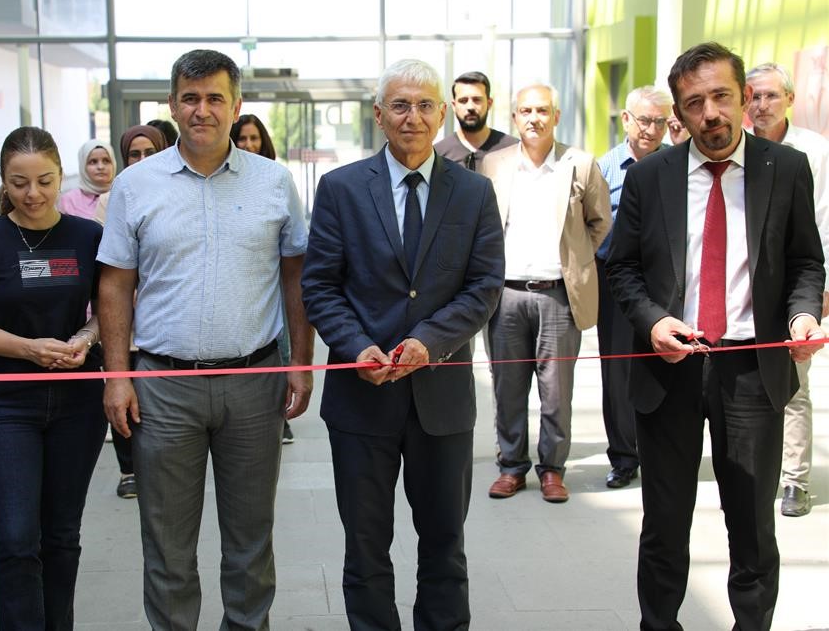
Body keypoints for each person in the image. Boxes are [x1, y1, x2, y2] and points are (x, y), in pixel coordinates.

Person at [607, 42, 825, 630]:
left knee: (752, 523)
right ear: (678, 113)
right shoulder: (652, 176)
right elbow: (620, 266)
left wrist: (804, 315)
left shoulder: (787, 170)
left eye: (722, 96)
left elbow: (807, 262)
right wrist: (653, 321)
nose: (711, 114)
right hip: (669, 366)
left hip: (752, 370)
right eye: (695, 102)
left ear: (746, 98)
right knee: (664, 523)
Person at [98, 49, 313, 630]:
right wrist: (116, 375)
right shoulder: (134, 185)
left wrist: (300, 363)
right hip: (163, 387)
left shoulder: (274, 183)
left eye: (215, 98)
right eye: (190, 98)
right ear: (172, 104)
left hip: (254, 381)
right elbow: (114, 287)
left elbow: (296, 275)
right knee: (167, 546)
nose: (202, 110)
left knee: (250, 542)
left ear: (235, 105)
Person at [301, 59, 505, 629]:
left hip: (441, 400)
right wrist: (354, 346)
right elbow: (319, 285)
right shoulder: (340, 189)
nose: (411, 117)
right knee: (365, 548)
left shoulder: (474, 193)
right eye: (399, 105)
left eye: (423, 106)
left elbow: (483, 286)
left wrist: (428, 343)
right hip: (361, 400)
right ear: (378, 115)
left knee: (445, 543)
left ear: (442, 114)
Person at [0, 127, 107, 629]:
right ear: (3, 181)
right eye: (19, 183)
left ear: (61, 176)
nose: (33, 193)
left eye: (44, 180)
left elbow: (109, 309)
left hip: (77, 403)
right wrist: (29, 349)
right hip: (6, 402)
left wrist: (84, 338)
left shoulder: (88, 236)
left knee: (61, 535)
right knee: (18, 540)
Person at [479, 83, 611, 503]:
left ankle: (553, 469)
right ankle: (511, 467)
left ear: (556, 116)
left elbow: (600, 221)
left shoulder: (580, 164)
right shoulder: (494, 164)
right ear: (514, 118)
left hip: (558, 296)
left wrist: (575, 260)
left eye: (542, 110)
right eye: (525, 111)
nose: (533, 118)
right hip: (507, 297)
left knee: (556, 392)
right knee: (507, 388)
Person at [746, 61, 829, 517]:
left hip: (797, 285)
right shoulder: (737, 149)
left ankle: (795, 480)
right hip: (747, 289)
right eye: (754, 96)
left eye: (771, 96)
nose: (761, 105)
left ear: (790, 101)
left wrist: (820, 292)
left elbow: (824, 221)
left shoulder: (812, 151)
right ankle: (755, 472)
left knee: (795, 383)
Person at [595, 85, 674, 489]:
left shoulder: (678, 164)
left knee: (669, 365)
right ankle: (624, 457)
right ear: (626, 119)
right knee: (618, 372)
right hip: (616, 281)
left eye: (661, 121)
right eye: (644, 120)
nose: (651, 129)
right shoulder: (604, 168)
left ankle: (662, 450)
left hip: (668, 280)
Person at [92, 123, 166, 499]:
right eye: (134, 154)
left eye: (149, 154)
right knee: (121, 388)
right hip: (124, 316)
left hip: (157, 318)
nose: (140, 161)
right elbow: (114, 265)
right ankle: (128, 469)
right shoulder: (116, 195)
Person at [229, 112, 297, 444]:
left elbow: (296, 252)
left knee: (280, 348)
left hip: (274, 289)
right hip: (239, 293)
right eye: (242, 138)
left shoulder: (277, 180)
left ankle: (280, 414)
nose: (249, 144)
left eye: (254, 138)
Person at [434, 70, 517, 171]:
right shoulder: (438, 155)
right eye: (463, 101)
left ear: (489, 103)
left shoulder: (513, 149)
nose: (470, 107)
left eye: (477, 100)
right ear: (454, 106)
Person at [92, 124, 166, 228]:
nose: (143, 160)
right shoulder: (109, 200)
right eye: (135, 154)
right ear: (125, 158)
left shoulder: (175, 193)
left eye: (150, 153)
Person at [58, 139, 116, 220]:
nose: (101, 167)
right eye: (93, 162)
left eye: (106, 161)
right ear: (83, 166)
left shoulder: (123, 195)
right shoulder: (69, 200)